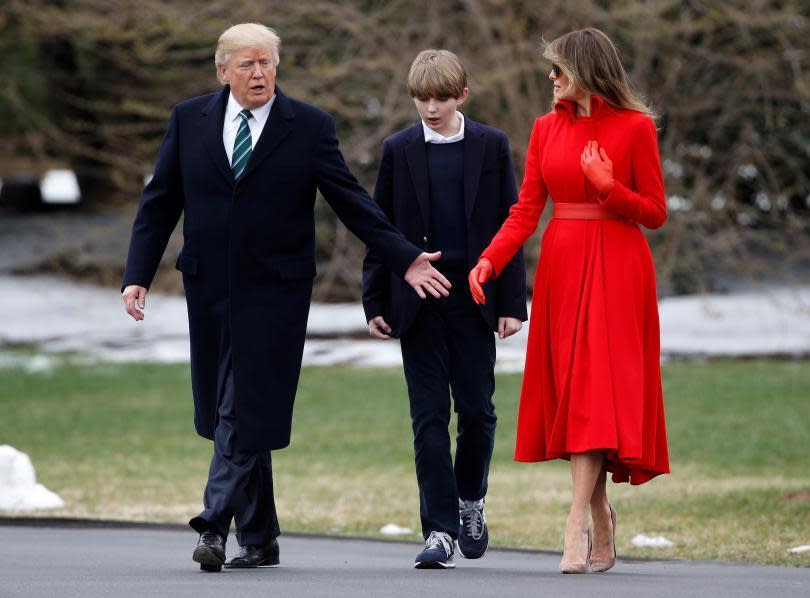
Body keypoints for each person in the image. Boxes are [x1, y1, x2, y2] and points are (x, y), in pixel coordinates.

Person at [121, 23, 452, 572]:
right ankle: (261, 537)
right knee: (227, 406)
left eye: (268, 63)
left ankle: (213, 524)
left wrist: (403, 257)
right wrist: (138, 274)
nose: (259, 74)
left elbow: (351, 201)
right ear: (222, 70)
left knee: (241, 402)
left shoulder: (308, 126)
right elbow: (161, 201)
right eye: (247, 64)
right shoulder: (188, 119)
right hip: (208, 289)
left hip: (276, 292)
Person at [468, 27, 670, 574]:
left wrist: (609, 187)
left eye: (557, 69)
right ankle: (601, 517)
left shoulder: (634, 128)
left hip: (620, 269)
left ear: (584, 71)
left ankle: (575, 521)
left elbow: (654, 211)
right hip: (563, 265)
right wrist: (490, 258)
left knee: (599, 392)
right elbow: (526, 210)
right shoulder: (543, 129)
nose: (550, 79)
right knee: (579, 392)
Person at [363, 49, 527, 569]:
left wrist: (511, 301)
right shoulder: (399, 149)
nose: (430, 108)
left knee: (477, 411)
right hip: (418, 303)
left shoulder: (491, 146)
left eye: (439, 98)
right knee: (428, 418)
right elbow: (379, 229)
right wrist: (375, 300)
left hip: (475, 299)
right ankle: (438, 530)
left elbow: (512, 226)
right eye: (420, 99)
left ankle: (470, 500)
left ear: (462, 95)